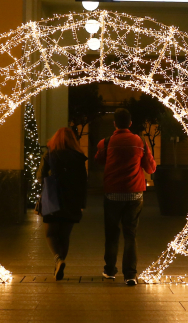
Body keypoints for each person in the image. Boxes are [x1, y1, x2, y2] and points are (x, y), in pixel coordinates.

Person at [95, 107, 157, 285]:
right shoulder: (140, 142)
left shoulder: (105, 142)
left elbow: (99, 161)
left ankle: (110, 270)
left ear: (115, 124)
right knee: (130, 234)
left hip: (112, 193)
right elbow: (150, 168)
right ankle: (130, 274)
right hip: (134, 194)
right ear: (130, 123)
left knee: (112, 233)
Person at [36, 126, 88, 280]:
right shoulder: (79, 157)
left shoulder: (50, 154)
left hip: (52, 198)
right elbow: (83, 182)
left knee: (50, 233)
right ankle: (60, 263)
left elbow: (40, 176)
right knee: (64, 235)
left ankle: (58, 260)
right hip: (72, 200)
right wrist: (82, 203)